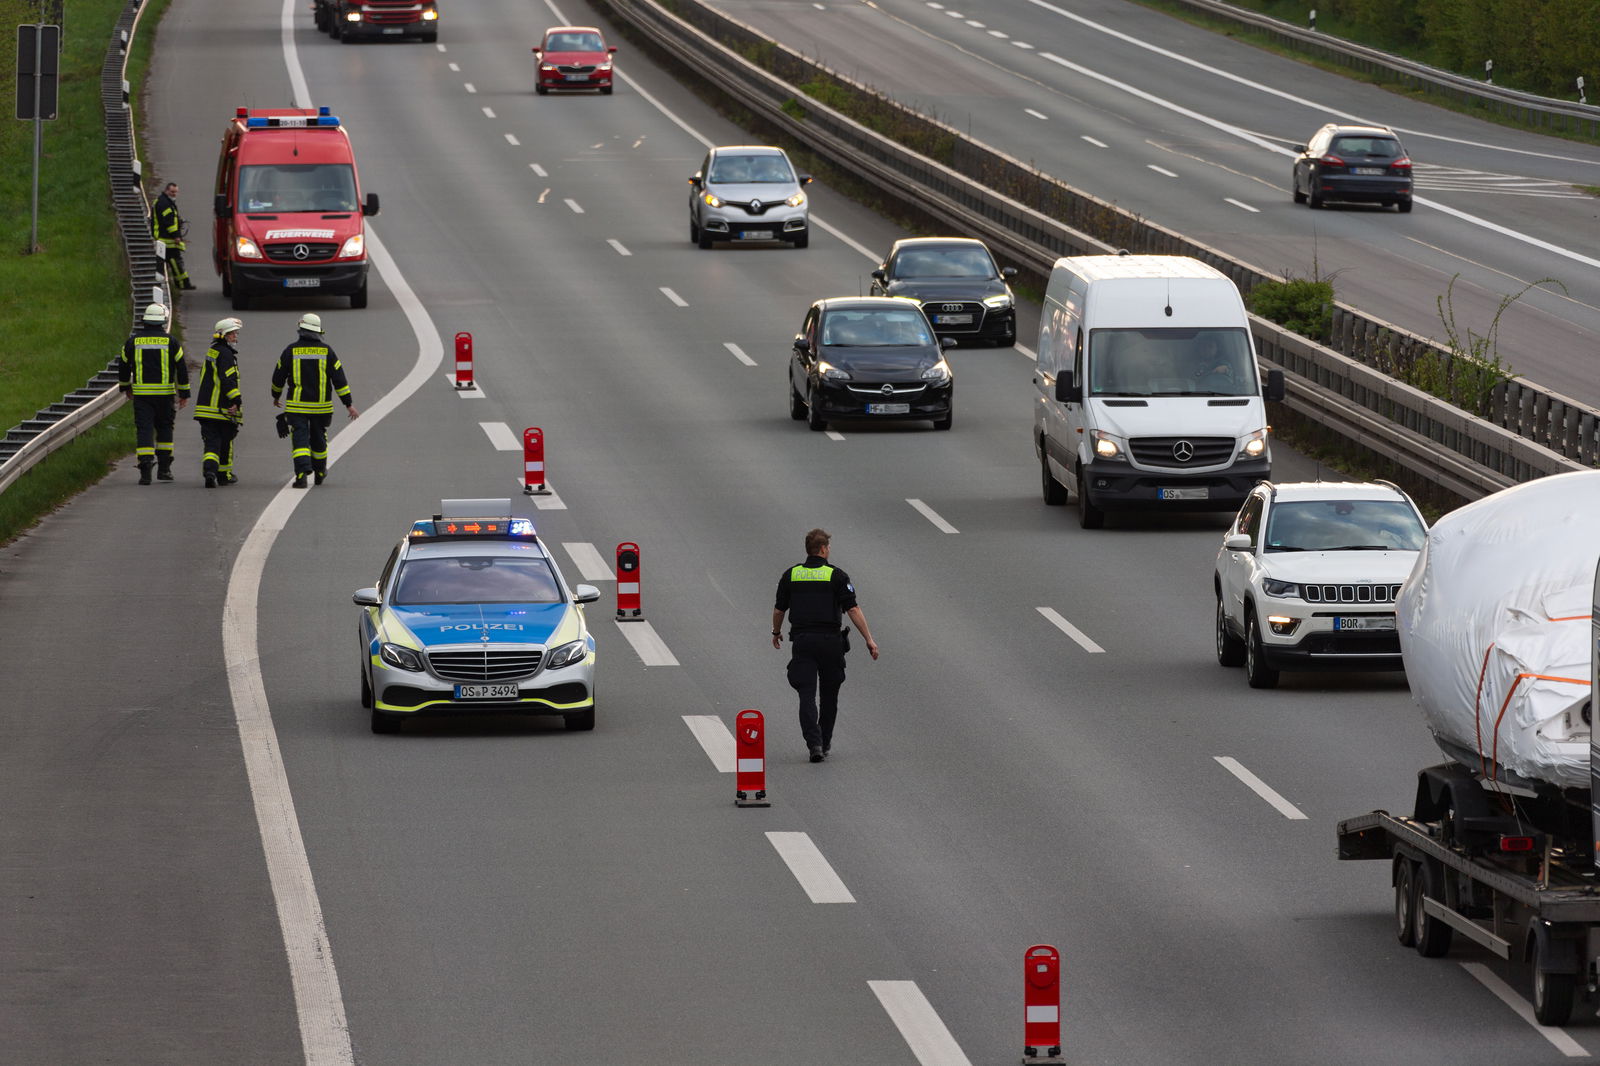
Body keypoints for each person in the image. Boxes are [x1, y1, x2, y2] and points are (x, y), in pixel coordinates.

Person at [771, 528, 879, 762]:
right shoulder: (837, 575)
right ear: (822, 549)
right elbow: (852, 609)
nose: (829, 550)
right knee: (830, 695)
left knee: (806, 694)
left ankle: (814, 744)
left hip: (803, 642)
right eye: (828, 547)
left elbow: (780, 609)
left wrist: (776, 632)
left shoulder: (791, 574)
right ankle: (825, 739)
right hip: (830, 642)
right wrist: (869, 639)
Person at [270, 313, 359, 489]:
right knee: (319, 438)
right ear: (318, 332)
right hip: (321, 408)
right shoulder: (327, 351)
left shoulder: (290, 350)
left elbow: (278, 375)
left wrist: (276, 395)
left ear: (301, 330)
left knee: (300, 439)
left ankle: (302, 475)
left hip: (297, 407)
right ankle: (319, 472)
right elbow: (340, 380)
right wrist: (348, 404)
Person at [118, 303, 189, 484]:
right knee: (165, 429)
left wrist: (126, 387)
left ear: (145, 321)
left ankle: (145, 469)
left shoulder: (133, 342)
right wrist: (184, 393)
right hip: (165, 396)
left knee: (145, 430)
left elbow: (124, 366)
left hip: (142, 396)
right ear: (163, 321)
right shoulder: (171, 342)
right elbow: (181, 369)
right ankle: (164, 470)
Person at [193, 318, 244, 488]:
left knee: (211, 443)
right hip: (222, 409)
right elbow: (228, 380)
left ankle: (209, 472)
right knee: (225, 442)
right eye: (233, 333)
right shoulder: (226, 354)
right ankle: (224, 475)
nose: (235, 337)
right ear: (224, 335)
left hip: (205, 408)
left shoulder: (212, 351)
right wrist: (236, 400)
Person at [150, 181, 194, 291]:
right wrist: (176, 236)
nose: (174, 194)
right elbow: (169, 223)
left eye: (176, 192)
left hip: (163, 237)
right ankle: (183, 284)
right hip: (166, 239)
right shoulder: (165, 204)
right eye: (172, 192)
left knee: (172, 261)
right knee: (175, 261)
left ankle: (181, 283)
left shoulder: (162, 201)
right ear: (166, 190)